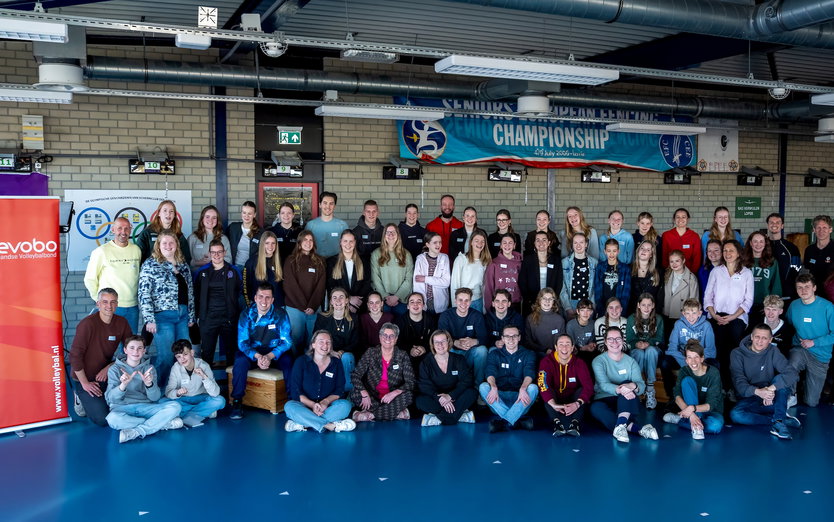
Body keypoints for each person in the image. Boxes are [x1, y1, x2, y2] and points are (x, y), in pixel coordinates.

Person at [137, 230, 195, 389]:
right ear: (158, 245)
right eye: (164, 243)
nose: (168, 246)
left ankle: (181, 389)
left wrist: (191, 316)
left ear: (176, 245)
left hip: (182, 316)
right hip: (163, 317)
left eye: (171, 243)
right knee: (166, 357)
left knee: (184, 356)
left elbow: (190, 292)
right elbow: (144, 293)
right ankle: (159, 390)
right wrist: (149, 319)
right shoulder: (150, 264)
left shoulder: (183, 265)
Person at [230, 283, 293, 420]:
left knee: (289, 362)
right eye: (261, 296)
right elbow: (242, 343)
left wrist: (269, 356)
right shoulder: (246, 314)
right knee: (240, 362)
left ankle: (293, 401)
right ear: (255, 298)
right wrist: (258, 357)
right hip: (253, 352)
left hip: (274, 352)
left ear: (273, 300)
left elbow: (287, 341)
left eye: (268, 297)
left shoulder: (281, 314)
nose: (264, 301)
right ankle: (237, 401)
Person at [70, 288, 132, 426]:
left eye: (113, 302)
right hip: (84, 377)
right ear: (98, 304)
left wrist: (110, 366)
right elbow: (75, 356)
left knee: (126, 406)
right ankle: (79, 395)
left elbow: (130, 349)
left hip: (106, 374)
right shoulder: (87, 324)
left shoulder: (122, 322)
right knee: (103, 419)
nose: (109, 306)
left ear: (117, 304)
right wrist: (85, 383)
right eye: (105, 302)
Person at [105, 336, 183, 443]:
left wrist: (149, 384)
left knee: (175, 406)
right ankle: (160, 424)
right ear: (125, 350)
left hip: (146, 407)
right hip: (122, 408)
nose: (135, 351)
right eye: (132, 348)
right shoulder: (114, 369)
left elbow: (155, 398)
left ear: (144, 351)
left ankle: (137, 431)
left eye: (139, 348)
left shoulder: (149, 368)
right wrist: (123, 385)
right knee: (112, 419)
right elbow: (111, 399)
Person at [730, 324, 800, 439]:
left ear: (770, 340)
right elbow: (739, 383)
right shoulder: (737, 353)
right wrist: (759, 392)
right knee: (736, 415)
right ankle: (780, 420)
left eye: (764, 338)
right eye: (757, 337)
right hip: (750, 397)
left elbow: (792, 373)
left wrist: (770, 389)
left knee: (780, 379)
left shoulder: (773, 350)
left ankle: (779, 420)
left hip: (770, 397)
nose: (760, 341)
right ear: (751, 337)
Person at [590, 327, 658, 443]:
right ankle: (639, 429)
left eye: (618, 339)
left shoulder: (631, 361)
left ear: (622, 340)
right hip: (604, 398)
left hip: (627, 401)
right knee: (595, 408)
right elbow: (603, 385)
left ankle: (621, 425)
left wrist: (632, 386)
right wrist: (622, 389)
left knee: (627, 383)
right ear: (605, 342)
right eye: (610, 339)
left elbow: (641, 386)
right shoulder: (598, 361)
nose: (614, 342)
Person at [284, 330, 356, 433]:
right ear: (313, 344)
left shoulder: (336, 363)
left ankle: (303, 423)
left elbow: (339, 390)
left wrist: (325, 402)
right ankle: (330, 426)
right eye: (321, 341)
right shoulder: (301, 361)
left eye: (328, 342)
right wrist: (312, 405)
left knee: (345, 406)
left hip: (327, 407)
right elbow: (296, 391)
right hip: (305, 406)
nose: (325, 345)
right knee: (289, 406)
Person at [704, 239, 753, 388]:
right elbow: (708, 296)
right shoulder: (716, 271)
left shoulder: (747, 273)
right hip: (717, 315)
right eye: (725, 250)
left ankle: (731, 386)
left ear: (738, 253)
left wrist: (732, 317)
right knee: (717, 349)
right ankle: (717, 385)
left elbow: (748, 300)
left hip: (737, 317)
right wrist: (714, 315)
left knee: (733, 349)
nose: (727, 253)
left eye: (731, 250)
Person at [83, 216, 141, 330]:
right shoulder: (101, 251)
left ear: (130, 230)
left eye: (126, 228)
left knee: (131, 340)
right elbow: (90, 279)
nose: (123, 232)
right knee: (109, 340)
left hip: (132, 307)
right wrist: (100, 300)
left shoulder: (136, 250)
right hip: (111, 307)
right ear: (113, 230)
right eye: (119, 228)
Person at [350, 323, 415, 422]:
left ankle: (371, 415)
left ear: (396, 339)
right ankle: (394, 413)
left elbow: (411, 382)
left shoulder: (402, 355)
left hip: (393, 398)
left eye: (392, 336)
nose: (388, 338)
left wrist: (395, 393)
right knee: (355, 393)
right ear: (380, 337)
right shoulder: (371, 352)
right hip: (372, 396)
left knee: (408, 396)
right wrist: (364, 393)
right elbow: (355, 375)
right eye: (385, 335)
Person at [479, 325, 538, 433]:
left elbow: (529, 373)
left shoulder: (528, 354)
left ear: (519, 337)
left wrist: (523, 388)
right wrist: (493, 387)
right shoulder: (494, 354)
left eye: (514, 336)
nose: (511, 339)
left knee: (533, 388)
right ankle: (516, 421)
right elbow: (490, 372)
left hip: (520, 400)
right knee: (483, 387)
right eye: (507, 336)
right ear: (502, 338)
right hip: (498, 400)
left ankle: (504, 421)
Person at [786, 274, 834, 407]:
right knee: (793, 360)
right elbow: (788, 325)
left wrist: (814, 342)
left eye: (807, 286)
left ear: (814, 288)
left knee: (811, 402)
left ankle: (804, 385)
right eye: (800, 287)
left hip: (820, 356)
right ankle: (791, 395)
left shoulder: (828, 307)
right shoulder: (794, 305)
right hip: (800, 349)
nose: (803, 290)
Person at [662, 339, 724, 439]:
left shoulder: (713, 373)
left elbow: (711, 404)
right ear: (686, 360)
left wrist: (692, 409)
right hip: (690, 411)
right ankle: (695, 425)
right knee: (687, 380)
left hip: (710, 411)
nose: (693, 361)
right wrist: (691, 414)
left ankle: (680, 420)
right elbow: (677, 395)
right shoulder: (684, 371)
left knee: (715, 426)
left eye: (696, 357)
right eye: (689, 357)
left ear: (702, 358)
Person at [193, 239, 241, 367]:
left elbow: (241, 292)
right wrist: (196, 316)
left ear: (224, 252)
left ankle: (232, 379)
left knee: (231, 352)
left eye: (219, 252)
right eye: (213, 252)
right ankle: (206, 380)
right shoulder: (201, 272)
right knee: (207, 353)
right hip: (208, 318)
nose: (216, 255)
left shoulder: (234, 271)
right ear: (209, 253)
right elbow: (196, 295)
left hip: (229, 318)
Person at [417, 329, 477, 426]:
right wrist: (440, 398)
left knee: (472, 393)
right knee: (420, 400)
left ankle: (438, 418)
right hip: (436, 399)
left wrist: (450, 396)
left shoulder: (459, 359)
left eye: (443, 341)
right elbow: (425, 386)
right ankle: (459, 416)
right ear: (432, 344)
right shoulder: (426, 363)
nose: (440, 345)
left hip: (456, 397)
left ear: (448, 342)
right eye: (436, 342)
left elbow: (466, 380)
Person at [661, 298, 717, 400]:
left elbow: (710, 350)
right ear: (683, 313)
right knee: (665, 362)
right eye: (687, 313)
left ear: (700, 313)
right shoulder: (678, 324)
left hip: (700, 358)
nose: (691, 317)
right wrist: (686, 362)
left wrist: (696, 362)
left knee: (714, 364)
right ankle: (672, 396)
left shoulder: (706, 325)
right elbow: (672, 348)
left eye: (694, 313)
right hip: (683, 358)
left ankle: (709, 396)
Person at [538, 334, 593, 437]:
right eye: (561, 344)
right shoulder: (546, 361)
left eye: (568, 344)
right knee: (547, 393)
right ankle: (557, 423)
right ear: (556, 347)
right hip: (555, 399)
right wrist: (553, 404)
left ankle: (575, 424)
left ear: (572, 348)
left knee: (582, 391)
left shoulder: (579, 363)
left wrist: (577, 404)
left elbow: (588, 386)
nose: (564, 348)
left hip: (573, 399)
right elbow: (542, 383)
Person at [164, 339, 225, 427]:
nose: (182, 359)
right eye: (179, 356)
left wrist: (204, 377)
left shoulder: (204, 365)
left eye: (185, 354)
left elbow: (215, 393)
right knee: (162, 402)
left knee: (220, 401)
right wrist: (177, 393)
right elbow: (168, 392)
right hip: (183, 400)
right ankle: (205, 412)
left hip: (201, 398)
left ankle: (186, 415)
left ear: (192, 353)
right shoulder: (176, 368)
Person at [283, 230, 326, 353]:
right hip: (295, 308)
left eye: (311, 240)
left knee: (313, 340)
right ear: (299, 242)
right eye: (305, 240)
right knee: (295, 339)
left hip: (314, 308)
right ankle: (296, 364)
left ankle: (310, 363)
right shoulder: (290, 260)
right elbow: (290, 285)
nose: (308, 242)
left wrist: (312, 305)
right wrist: (303, 305)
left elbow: (321, 285)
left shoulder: (320, 261)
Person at [438, 288, 488, 384]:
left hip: (469, 352)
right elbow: (440, 338)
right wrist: (455, 342)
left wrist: (474, 341)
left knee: (482, 350)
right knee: (444, 349)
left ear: (470, 301)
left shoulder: (476, 316)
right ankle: (450, 383)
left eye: (466, 300)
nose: (463, 303)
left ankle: (478, 385)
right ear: (455, 301)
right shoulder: (446, 315)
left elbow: (485, 338)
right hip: (453, 352)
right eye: (460, 300)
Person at [313, 287, 359, 390]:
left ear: (346, 301)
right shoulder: (322, 317)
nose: (338, 300)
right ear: (331, 302)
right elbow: (316, 339)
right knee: (327, 357)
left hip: (345, 353)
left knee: (346, 357)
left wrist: (342, 351)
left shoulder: (354, 318)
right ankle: (326, 390)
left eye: (341, 297)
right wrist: (330, 351)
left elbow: (355, 342)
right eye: (335, 298)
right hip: (326, 351)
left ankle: (347, 391)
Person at [625, 293, 665, 409]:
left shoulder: (658, 319)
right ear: (638, 305)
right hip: (637, 349)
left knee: (650, 351)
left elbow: (659, 338)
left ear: (653, 305)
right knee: (639, 353)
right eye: (643, 305)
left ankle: (650, 389)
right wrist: (637, 343)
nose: (646, 308)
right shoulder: (632, 318)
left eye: (649, 305)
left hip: (653, 349)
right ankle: (638, 387)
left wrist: (648, 343)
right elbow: (629, 338)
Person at [371, 224, 413, 316]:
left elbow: (409, 279)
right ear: (384, 235)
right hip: (383, 300)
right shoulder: (376, 254)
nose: (391, 234)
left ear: (398, 235)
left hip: (401, 300)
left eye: (394, 232)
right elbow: (375, 278)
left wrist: (397, 296)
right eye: (388, 232)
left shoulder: (406, 254)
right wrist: (385, 296)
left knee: (402, 324)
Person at [326, 229, 371, 314]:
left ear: (355, 242)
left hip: (359, 305)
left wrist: (355, 303)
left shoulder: (364, 262)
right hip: (339, 306)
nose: (348, 244)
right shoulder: (331, 262)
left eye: (351, 241)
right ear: (340, 242)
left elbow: (367, 284)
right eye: (345, 241)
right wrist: (348, 299)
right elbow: (331, 285)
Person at [742, 230, 782, 323]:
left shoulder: (772, 262)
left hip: (764, 306)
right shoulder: (742, 261)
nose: (758, 244)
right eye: (755, 241)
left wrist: (771, 306)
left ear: (765, 243)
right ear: (751, 243)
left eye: (761, 241)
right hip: (744, 306)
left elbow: (776, 285)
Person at [519, 231, 563, 317]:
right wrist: (529, 300)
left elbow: (559, 282)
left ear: (549, 243)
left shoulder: (556, 260)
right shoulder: (527, 260)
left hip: (550, 302)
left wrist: (552, 299)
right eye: (538, 240)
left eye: (544, 240)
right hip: (531, 302)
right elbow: (522, 282)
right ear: (534, 243)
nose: (541, 243)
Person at [395, 292, 437, 373]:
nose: (415, 304)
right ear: (407, 306)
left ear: (423, 305)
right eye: (412, 302)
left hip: (426, 352)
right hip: (406, 354)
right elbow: (397, 342)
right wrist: (410, 350)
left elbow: (435, 339)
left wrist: (425, 348)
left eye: (419, 301)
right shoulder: (400, 321)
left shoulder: (430, 319)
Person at [450, 229, 491, 313]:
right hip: (463, 302)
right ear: (471, 242)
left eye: (482, 241)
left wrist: (484, 306)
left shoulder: (485, 261)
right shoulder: (461, 259)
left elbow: (484, 286)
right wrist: (455, 306)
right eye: (476, 241)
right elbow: (454, 283)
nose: (480, 244)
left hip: (478, 301)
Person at [559, 232, 597, 319]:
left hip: (588, 304)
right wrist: (567, 307)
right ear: (572, 245)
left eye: (581, 242)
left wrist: (592, 305)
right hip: (570, 303)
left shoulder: (594, 263)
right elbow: (562, 287)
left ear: (586, 244)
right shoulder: (564, 263)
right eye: (575, 243)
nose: (578, 245)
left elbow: (596, 287)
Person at [413, 231, 452, 314]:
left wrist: (425, 279)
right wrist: (421, 301)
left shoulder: (444, 258)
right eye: (435, 242)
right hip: (425, 302)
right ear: (427, 244)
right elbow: (417, 283)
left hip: (440, 301)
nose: (438, 245)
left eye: (440, 242)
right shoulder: (420, 259)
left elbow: (446, 282)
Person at [766, 213, 801, 301]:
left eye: (777, 222)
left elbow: (796, 271)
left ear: (782, 226)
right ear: (768, 225)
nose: (774, 224)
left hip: (785, 294)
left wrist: (787, 290)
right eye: (771, 222)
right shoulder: (761, 246)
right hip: (765, 292)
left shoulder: (791, 248)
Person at [662, 250, 699, 333]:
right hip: (667, 314)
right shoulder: (666, 275)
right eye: (671, 261)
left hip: (683, 316)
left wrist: (690, 317)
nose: (674, 264)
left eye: (677, 261)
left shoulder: (691, 278)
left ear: (683, 260)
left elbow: (694, 301)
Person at [243, 231, 283, 307]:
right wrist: (249, 304)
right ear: (262, 244)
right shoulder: (251, 262)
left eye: (273, 243)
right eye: (267, 243)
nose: (270, 246)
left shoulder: (280, 262)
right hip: (258, 306)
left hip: (277, 305)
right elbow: (245, 287)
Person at [524, 288, 565, 360]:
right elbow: (528, 342)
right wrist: (544, 350)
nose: (547, 301)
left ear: (554, 301)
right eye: (544, 298)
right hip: (535, 355)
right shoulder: (530, 318)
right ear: (539, 300)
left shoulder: (559, 320)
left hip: (555, 356)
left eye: (550, 299)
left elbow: (562, 341)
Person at [593, 239, 631, 317]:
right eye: (609, 251)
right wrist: (601, 310)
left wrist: (620, 311)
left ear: (618, 251)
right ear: (605, 251)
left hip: (619, 310)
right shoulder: (600, 267)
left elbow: (626, 294)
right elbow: (597, 291)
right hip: (603, 309)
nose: (611, 254)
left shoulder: (625, 268)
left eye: (614, 251)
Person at [305, 191, 349, 258]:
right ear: (320, 205)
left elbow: (348, 246)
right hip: (315, 260)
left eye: (331, 203)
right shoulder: (310, 225)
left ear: (334, 206)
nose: (328, 206)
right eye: (325, 203)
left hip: (336, 261)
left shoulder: (342, 225)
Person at [483, 234, 522, 308]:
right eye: (504, 243)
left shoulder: (519, 262)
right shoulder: (493, 263)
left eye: (510, 243)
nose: (507, 245)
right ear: (500, 245)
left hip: (515, 303)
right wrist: (488, 306)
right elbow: (489, 287)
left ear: (514, 245)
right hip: (499, 304)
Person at [188, 205, 231, 270]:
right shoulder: (192, 238)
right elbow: (186, 260)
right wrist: (200, 263)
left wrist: (213, 260)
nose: (210, 220)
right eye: (207, 217)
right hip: (196, 275)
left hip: (217, 275)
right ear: (202, 219)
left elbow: (229, 260)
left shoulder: (223, 239)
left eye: (214, 218)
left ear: (217, 220)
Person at [661, 208, 701, 273]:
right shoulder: (666, 235)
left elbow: (697, 258)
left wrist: (691, 274)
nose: (680, 219)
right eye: (678, 217)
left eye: (683, 217)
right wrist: (668, 272)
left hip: (689, 273)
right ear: (674, 219)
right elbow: (664, 257)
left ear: (688, 219)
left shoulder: (694, 236)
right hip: (671, 272)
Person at [226, 201, 263, 269]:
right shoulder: (233, 228)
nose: (246, 216)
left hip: (252, 268)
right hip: (235, 267)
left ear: (254, 215)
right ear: (241, 213)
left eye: (249, 213)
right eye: (244, 212)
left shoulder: (260, 232)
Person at [628, 240, 661, 315]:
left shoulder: (658, 272)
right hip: (631, 312)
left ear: (651, 255)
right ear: (638, 251)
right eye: (642, 248)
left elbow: (660, 296)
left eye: (648, 250)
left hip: (651, 313)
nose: (644, 251)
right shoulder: (628, 269)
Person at [803, 215, 834, 292]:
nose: (821, 231)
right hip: (813, 292)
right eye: (818, 228)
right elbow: (806, 271)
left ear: (830, 229)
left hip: (831, 293)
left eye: (824, 228)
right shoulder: (809, 250)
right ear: (814, 230)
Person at [359, 292, 393, 356]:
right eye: (371, 303)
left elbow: (392, 340)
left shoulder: (390, 318)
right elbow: (361, 341)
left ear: (382, 303)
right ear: (368, 305)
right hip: (368, 353)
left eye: (377, 302)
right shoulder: (362, 318)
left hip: (386, 353)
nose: (374, 306)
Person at [352, 199, 384, 265]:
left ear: (378, 213)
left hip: (380, 266)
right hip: (361, 267)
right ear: (363, 213)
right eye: (368, 211)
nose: (371, 214)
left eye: (374, 211)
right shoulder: (355, 232)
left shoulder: (384, 231)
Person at [566, 298, 597, 366]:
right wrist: (582, 348)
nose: (585, 313)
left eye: (588, 310)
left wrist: (592, 344)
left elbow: (593, 341)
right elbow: (570, 345)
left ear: (591, 312)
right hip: (576, 354)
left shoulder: (593, 324)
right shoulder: (570, 325)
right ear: (577, 311)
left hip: (589, 353)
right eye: (582, 310)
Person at [697, 239, 723, 303]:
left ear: (722, 251)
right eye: (709, 251)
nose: (712, 253)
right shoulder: (702, 271)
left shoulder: (729, 269)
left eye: (716, 250)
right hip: (707, 306)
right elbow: (701, 292)